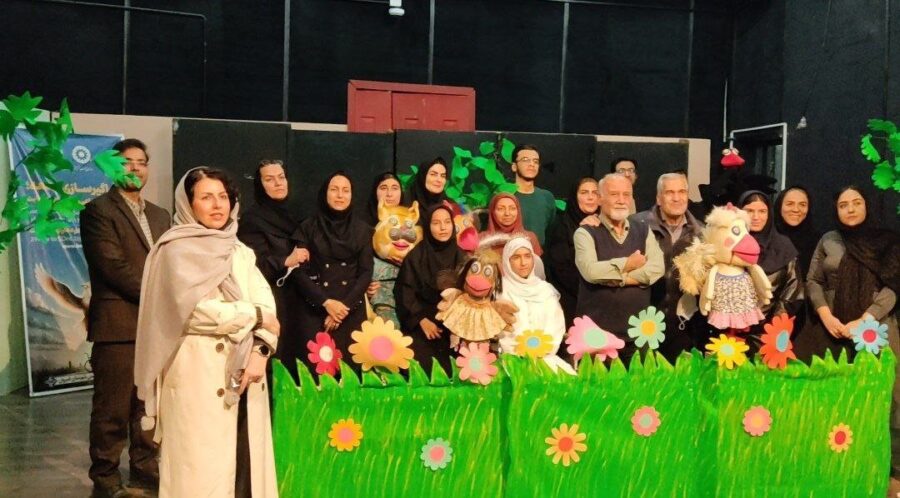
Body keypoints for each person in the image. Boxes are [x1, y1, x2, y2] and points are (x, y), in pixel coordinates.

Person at [134, 167, 280, 497]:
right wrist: (252, 315)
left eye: (223, 197)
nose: (217, 205)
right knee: (199, 473)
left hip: (246, 372)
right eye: (206, 197)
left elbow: (268, 306)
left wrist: (261, 350)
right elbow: (192, 312)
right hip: (195, 373)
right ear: (189, 204)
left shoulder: (240, 251)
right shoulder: (174, 250)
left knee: (245, 471)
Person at [80, 138, 170, 498]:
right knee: (112, 410)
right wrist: (160, 295)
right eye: (127, 162)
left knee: (148, 407)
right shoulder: (98, 211)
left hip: (155, 328)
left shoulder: (161, 215)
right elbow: (112, 266)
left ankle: (145, 470)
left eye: (141, 162)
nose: (135, 168)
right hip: (117, 326)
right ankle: (105, 479)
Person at [806, 185, 900, 479]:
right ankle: (839, 467)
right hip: (833, 328)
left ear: (867, 205)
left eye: (856, 202)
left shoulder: (888, 241)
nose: (850, 209)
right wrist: (825, 314)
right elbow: (813, 281)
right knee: (837, 396)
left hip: (877, 328)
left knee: (886, 397)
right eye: (843, 204)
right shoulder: (829, 239)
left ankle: (888, 471)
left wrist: (866, 319)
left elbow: (895, 285)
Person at [286, 172, 374, 378]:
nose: (340, 195)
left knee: (350, 376)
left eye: (345, 190)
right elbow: (298, 272)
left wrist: (342, 309)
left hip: (350, 310)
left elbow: (366, 272)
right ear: (324, 193)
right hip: (315, 309)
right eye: (334, 190)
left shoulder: (362, 230)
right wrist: (326, 303)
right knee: (316, 375)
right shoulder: (307, 227)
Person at [574, 173, 664, 363]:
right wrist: (627, 264)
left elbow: (657, 268)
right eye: (614, 194)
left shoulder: (643, 230)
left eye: (626, 194)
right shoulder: (585, 232)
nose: (621, 200)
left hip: (639, 334)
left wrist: (619, 278)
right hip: (596, 336)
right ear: (600, 198)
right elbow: (591, 272)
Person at [632, 172, 704, 361]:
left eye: (682, 192)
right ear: (658, 198)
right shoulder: (636, 225)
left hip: (685, 326)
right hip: (643, 322)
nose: (676, 198)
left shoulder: (701, 233)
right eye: (670, 192)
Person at [237, 160, 308, 328]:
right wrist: (285, 261)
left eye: (281, 177)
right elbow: (252, 265)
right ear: (260, 185)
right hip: (274, 298)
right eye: (269, 179)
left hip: (305, 298)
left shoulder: (299, 213)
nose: (278, 183)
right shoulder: (252, 219)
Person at [396, 204, 466, 372]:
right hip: (422, 323)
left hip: (455, 326)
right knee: (421, 369)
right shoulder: (416, 256)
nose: (443, 227)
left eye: (447, 222)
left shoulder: (462, 257)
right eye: (436, 223)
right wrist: (421, 320)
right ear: (427, 226)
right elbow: (404, 292)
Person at [739, 190, 804, 353]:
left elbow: (793, 291)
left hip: (769, 334)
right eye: (749, 211)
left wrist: (772, 324)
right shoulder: (729, 246)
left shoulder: (783, 246)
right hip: (731, 333)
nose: (756, 217)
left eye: (762, 211)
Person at [498, 236, 574, 374]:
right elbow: (502, 330)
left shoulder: (546, 290)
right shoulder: (500, 291)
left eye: (527, 256)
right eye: (516, 257)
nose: (523, 263)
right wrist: (521, 350)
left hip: (545, 358)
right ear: (507, 261)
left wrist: (541, 350)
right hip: (512, 359)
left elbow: (556, 326)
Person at [544, 177, 600, 325]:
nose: (590, 197)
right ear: (575, 197)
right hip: (572, 300)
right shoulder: (561, 225)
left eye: (595, 193)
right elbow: (560, 268)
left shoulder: (606, 224)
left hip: (602, 300)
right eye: (584, 192)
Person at [511, 144, 557, 245]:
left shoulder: (547, 197)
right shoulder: (506, 196)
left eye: (535, 161)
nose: (532, 164)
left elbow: (550, 232)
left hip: (539, 253)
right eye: (525, 160)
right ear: (514, 166)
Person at [774, 185, 820, 279]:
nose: (796, 209)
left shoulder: (818, 241)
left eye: (802, 205)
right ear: (779, 206)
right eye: (790, 204)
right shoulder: (767, 238)